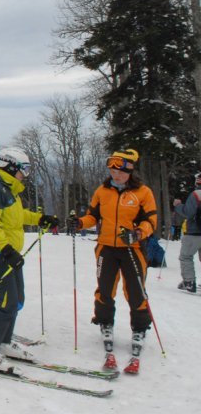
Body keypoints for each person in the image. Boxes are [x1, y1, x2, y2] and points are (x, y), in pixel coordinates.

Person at [0, 147, 56, 374]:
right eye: (25, 169)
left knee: (17, 300)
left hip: (9, 252)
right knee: (6, 303)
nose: (27, 174)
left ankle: (2, 342)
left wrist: (40, 218)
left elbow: (17, 216)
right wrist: (6, 249)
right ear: (11, 166)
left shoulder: (8, 188)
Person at [67, 148, 157, 372]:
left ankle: (140, 327)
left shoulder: (143, 193)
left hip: (132, 248)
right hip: (106, 247)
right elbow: (93, 216)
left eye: (120, 172)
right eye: (112, 171)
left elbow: (151, 221)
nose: (116, 175)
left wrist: (137, 233)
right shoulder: (102, 191)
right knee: (105, 288)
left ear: (129, 171)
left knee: (135, 290)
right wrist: (79, 223)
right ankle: (105, 321)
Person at [172, 172, 201, 293]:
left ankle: (189, 282)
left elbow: (188, 213)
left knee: (186, 257)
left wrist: (178, 206)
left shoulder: (196, 194)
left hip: (194, 232)